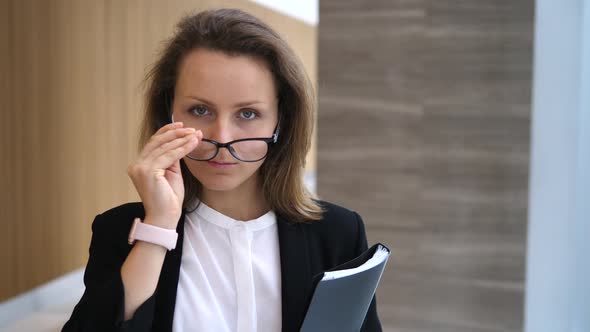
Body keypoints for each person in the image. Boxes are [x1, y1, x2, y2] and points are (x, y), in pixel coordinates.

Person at [62, 8, 381, 332]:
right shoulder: (120, 231)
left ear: (280, 122)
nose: (222, 138)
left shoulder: (338, 232)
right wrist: (157, 228)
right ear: (168, 113)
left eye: (247, 114)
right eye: (200, 110)